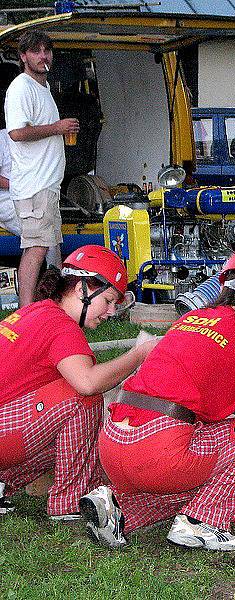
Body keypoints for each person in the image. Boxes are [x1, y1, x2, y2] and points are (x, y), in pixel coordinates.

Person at [79, 248, 235, 551]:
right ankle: (203, 522)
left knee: (192, 482)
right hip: (159, 448)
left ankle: (118, 510)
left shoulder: (191, 319)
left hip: (114, 442)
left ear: (223, 288)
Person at [0, 245, 154, 520]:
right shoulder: (61, 326)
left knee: (71, 435)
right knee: (83, 400)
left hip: (7, 422)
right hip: (5, 429)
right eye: (107, 301)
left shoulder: (37, 311)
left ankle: (4, 482)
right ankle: (67, 503)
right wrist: (139, 354)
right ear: (82, 289)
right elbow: (87, 384)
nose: (109, 312)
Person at [4, 31, 79, 306]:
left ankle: (56, 306)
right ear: (23, 56)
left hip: (47, 185)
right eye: (35, 51)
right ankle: (25, 314)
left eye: (46, 50)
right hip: (34, 185)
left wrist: (59, 132)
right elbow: (16, 133)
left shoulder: (43, 88)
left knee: (49, 247)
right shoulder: (21, 88)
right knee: (35, 248)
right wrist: (57, 129)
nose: (43, 56)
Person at [0, 128, 60, 268]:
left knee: (52, 233)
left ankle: (56, 281)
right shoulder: (2, 138)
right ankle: (53, 282)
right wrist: (20, 185)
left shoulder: (39, 139)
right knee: (42, 235)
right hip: (6, 198)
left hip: (34, 196)